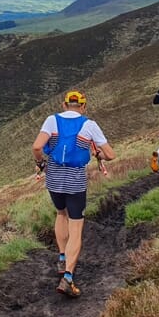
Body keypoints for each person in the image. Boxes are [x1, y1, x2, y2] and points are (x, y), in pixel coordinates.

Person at [32, 89, 115, 298]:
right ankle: (68, 277)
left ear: (64, 105)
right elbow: (111, 155)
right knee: (76, 226)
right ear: (84, 106)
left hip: (53, 177)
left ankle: (61, 257)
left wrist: (40, 163)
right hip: (76, 179)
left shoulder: (51, 120)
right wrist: (97, 153)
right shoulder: (89, 125)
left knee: (61, 213)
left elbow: (36, 147)